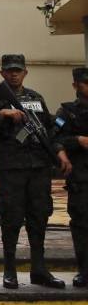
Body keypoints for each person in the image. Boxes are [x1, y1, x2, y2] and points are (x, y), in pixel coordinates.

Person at [0, 53, 69, 290]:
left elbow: (49, 129)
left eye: (18, 70)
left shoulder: (35, 98)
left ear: (25, 72)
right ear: (2, 73)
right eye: (9, 70)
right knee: (11, 219)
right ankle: (10, 271)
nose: (13, 73)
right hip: (12, 169)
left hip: (38, 168)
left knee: (39, 217)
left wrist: (58, 151)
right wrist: (2, 115)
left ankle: (39, 269)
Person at [53, 66, 88, 287]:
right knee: (82, 225)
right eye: (85, 83)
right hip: (81, 177)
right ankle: (84, 270)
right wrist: (77, 141)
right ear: (75, 85)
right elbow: (53, 138)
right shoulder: (66, 112)